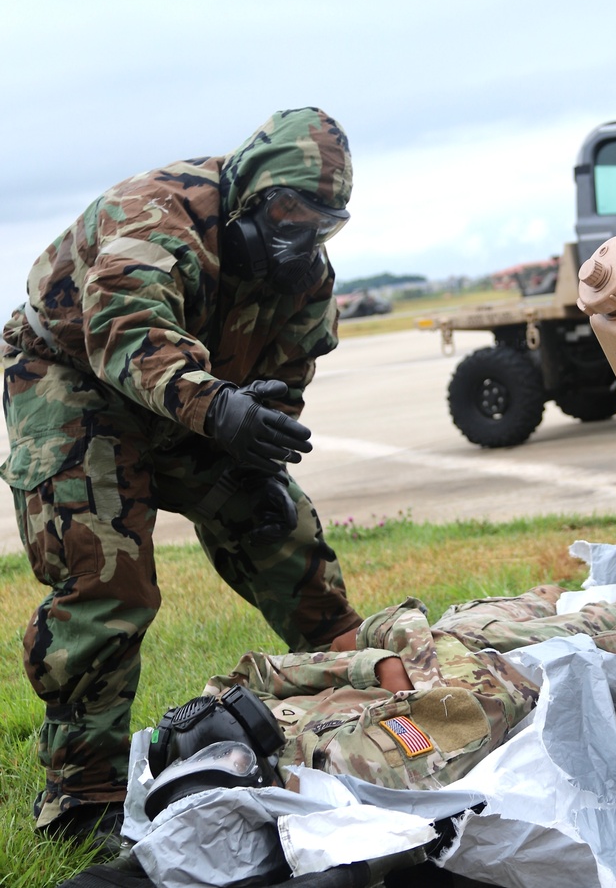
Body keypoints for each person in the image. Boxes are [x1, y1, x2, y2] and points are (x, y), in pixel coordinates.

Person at [0, 107, 364, 853]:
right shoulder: (157, 215)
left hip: (197, 403)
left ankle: (363, 694)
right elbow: (126, 335)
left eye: (323, 222)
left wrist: (257, 450)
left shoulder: (304, 277)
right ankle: (83, 796)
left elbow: (284, 377)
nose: (304, 236)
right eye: (289, 213)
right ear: (251, 195)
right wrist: (224, 411)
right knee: (108, 572)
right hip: (71, 377)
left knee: (280, 529)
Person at [173, 569, 616, 794]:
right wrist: (405, 664)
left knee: (551, 593)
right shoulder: (339, 767)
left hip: (444, 631)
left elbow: (258, 673)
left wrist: (369, 665)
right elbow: (459, 719)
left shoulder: (212, 719)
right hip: (500, 666)